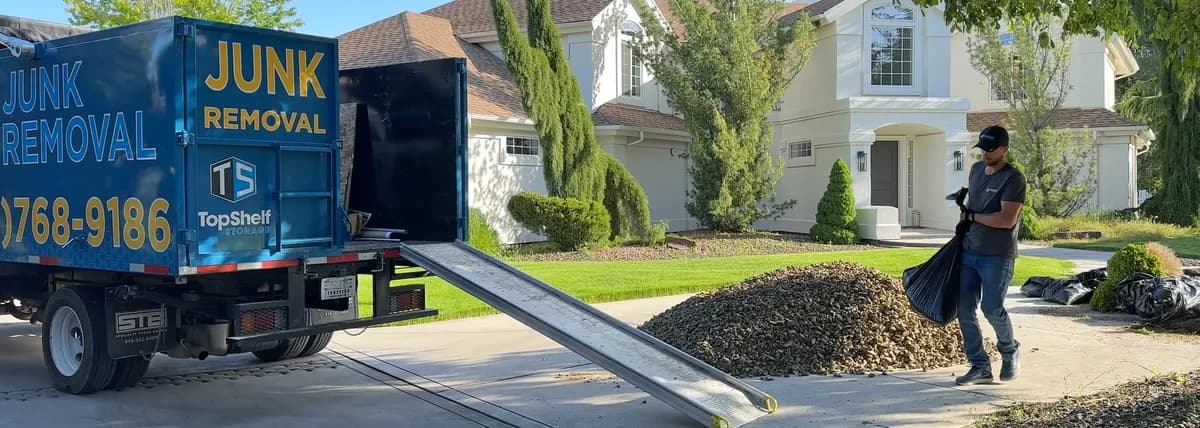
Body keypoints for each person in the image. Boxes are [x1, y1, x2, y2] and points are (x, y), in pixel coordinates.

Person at [954, 125, 1026, 386]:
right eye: (982, 148)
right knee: (964, 310)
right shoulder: (975, 171)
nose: (985, 153)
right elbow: (976, 206)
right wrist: (963, 203)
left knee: (992, 309)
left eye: (991, 149)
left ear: (1005, 149)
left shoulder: (1013, 179)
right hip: (969, 251)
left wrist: (972, 216)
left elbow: (1007, 220)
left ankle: (1009, 351)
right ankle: (979, 366)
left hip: (997, 255)